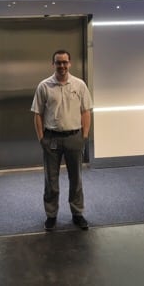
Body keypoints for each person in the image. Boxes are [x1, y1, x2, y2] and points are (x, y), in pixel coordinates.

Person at [31, 49, 93, 231]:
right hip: (52, 139)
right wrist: (41, 138)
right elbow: (37, 114)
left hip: (74, 137)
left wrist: (84, 136)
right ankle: (51, 215)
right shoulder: (44, 86)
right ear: (53, 64)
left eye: (65, 62)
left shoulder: (79, 85)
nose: (62, 66)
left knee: (76, 179)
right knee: (51, 181)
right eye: (58, 62)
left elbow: (86, 111)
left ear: (70, 63)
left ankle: (77, 214)